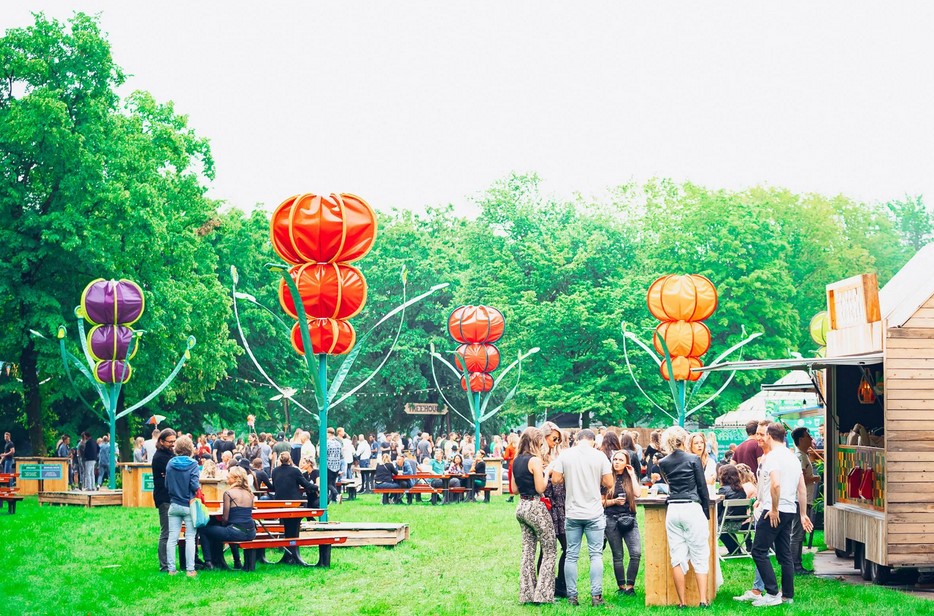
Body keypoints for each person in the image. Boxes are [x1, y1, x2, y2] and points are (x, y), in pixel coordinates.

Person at [748, 422, 813, 607]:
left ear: (769, 435)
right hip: (790, 510)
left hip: (774, 510)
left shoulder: (772, 457)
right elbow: (801, 488)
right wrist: (802, 513)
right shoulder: (793, 457)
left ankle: (772, 593)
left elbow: (775, 484)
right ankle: (787, 595)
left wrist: (774, 509)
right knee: (785, 555)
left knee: (758, 551)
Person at [551, 428, 613, 607]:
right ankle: (596, 596)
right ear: (593, 441)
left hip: (573, 512)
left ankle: (572, 596)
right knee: (595, 555)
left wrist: (568, 478)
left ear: (577, 439)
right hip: (594, 511)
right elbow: (609, 483)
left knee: (571, 555)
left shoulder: (566, 455)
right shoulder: (600, 456)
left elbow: (555, 480)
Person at [658, 426, 711, 608]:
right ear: (684, 439)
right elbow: (702, 487)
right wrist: (706, 511)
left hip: (673, 509)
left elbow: (669, 484)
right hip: (691, 506)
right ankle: (703, 600)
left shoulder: (663, 462)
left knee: (677, 556)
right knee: (700, 553)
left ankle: (682, 602)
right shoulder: (693, 459)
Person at [511, 426, 556, 604]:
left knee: (528, 551)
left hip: (521, 506)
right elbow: (541, 488)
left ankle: (527, 594)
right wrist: (548, 471)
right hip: (535, 507)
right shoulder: (535, 460)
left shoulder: (516, 461)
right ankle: (544, 595)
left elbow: (514, 489)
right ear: (537, 441)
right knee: (550, 550)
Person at [200, 465, 255, 570]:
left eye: (229, 477)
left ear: (235, 478)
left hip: (236, 532)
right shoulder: (249, 493)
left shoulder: (228, 493)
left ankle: (208, 562)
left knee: (204, 529)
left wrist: (222, 526)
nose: (227, 478)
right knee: (229, 528)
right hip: (251, 532)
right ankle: (237, 561)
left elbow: (225, 518)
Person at [604, 450, 642, 595]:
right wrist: (613, 501)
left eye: (621, 460)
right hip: (611, 519)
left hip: (629, 519)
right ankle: (621, 586)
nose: (617, 462)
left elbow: (638, 494)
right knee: (617, 555)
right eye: (615, 459)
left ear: (626, 462)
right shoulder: (607, 478)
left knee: (636, 553)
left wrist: (632, 475)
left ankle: (630, 586)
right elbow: (600, 501)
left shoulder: (629, 478)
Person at [271, 451, 316, 565]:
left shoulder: (275, 471)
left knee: (286, 525)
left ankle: (288, 553)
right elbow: (306, 484)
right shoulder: (295, 471)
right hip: (294, 504)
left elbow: (275, 486)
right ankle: (293, 553)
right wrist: (318, 487)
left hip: (279, 504)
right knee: (294, 525)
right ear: (290, 460)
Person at [540, 421, 568, 597]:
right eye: (554, 438)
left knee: (568, 547)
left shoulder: (557, 456)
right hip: (548, 507)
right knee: (546, 549)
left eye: (559, 439)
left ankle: (561, 584)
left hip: (561, 507)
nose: (556, 442)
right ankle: (544, 585)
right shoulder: (538, 458)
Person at [165, 435, 200, 577]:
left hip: (174, 504)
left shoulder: (170, 463)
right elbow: (194, 485)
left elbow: (167, 485)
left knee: (172, 538)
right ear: (190, 447)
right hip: (188, 504)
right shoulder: (193, 464)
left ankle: (171, 569)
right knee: (190, 537)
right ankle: (190, 569)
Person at [790, 427, 820, 575]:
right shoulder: (800, 457)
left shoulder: (803, 455)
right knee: (797, 534)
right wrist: (816, 478)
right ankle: (795, 566)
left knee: (799, 534)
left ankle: (797, 564)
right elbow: (801, 479)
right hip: (799, 501)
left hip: (804, 500)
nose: (811, 439)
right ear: (801, 439)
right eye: (808, 436)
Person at [717, 464, 751, 555]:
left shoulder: (723, 490)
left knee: (715, 526)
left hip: (726, 525)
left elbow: (717, 510)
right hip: (741, 523)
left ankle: (734, 550)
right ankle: (736, 550)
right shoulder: (741, 490)